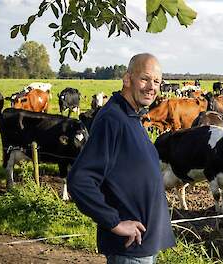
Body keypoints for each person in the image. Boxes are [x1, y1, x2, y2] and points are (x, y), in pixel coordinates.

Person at [67, 53, 175, 264]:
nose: (151, 87)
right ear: (127, 79)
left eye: (156, 81)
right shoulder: (112, 119)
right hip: (129, 251)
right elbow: (80, 180)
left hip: (141, 246)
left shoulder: (132, 116)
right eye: (145, 78)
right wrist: (114, 222)